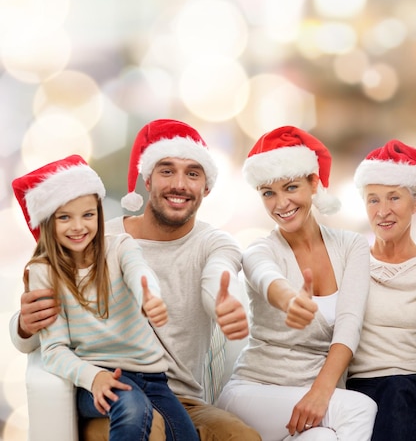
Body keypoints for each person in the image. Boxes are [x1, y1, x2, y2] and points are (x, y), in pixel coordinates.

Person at [10, 119, 261, 441]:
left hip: (179, 399)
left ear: (206, 187)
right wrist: (25, 325)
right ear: (147, 178)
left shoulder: (215, 244)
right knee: (147, 427)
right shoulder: (95, 237)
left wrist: (223, 303)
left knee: (242, 437)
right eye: (167, 171)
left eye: (193, 174)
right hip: (110, 393)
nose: (180, 184)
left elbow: (218, 276)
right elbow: (31, 338)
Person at [11, 155, 198, 441]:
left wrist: (149, 295)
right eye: (64, 217)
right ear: (48, 222)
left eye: (88, 215)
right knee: (132, 409)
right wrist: (93, 378)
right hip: (96, 375)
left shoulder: (120, 246)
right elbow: (53, 350)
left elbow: (139, 271)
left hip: (153, 378)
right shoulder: (44, 272)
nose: (78, 227)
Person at [216, 125, 378, 440]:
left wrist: (320, 391)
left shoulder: (352, 246)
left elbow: (349, 325)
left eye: (291, 187)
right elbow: (267, 278)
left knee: (324, 438)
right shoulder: (260, 250)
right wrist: (290, 299)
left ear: (313, 183)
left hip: (312, 398)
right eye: (268, 193)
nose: (281, 204)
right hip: (254, 393)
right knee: (360, 409)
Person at [346, 139, 416, 441]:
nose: (383, 211)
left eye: (393, 198)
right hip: (365, 384)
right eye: (373, 199)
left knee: (398, 395)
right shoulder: (351, 265)